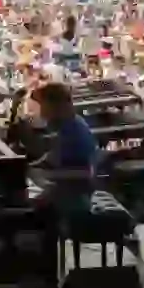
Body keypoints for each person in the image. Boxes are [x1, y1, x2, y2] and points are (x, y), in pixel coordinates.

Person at [28, 82, 99, 215]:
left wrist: (40, 174)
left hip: (76, 194)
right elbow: (52, 157)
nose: (38, 110)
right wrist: (30, 167)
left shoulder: (73, 130)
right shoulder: (64, 124)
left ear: (53, 105)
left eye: (41, 104)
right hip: (64, 185)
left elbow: (84, 173)